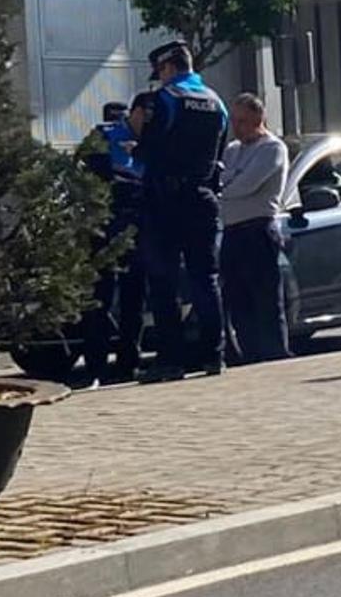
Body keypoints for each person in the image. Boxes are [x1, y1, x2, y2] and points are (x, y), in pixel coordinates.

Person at [130, 41, 230, 384]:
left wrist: (137, 144)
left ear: (169, 67)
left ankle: (170, 361)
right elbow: (219, 154)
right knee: (206, 278)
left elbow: (151, 150)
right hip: (202, 197)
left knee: (163, 282)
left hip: (165, 200)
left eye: (160, 71)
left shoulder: (166, 99)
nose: (159, 78)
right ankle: (214, 355)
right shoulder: (218, 102)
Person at [79, 98, 147, 386]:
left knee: (133, 296)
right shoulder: (103, 135)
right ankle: (96, 365)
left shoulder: (152, 139)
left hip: (136, 223)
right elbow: (96, 172)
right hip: (106, 224)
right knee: (100, 298)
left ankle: (127, 362)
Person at [220, 93, 290, 364]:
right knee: (238, 297)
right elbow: (222, 180)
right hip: (231, 231)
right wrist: (227, 185)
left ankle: (274, 353)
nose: (237, 127)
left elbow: (246, 185)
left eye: (243, 121)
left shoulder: (272, 148)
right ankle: (249, 356)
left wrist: (227, 187)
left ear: (259, 118)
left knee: (266, 298)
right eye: (234, 121)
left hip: (258, 229)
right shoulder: (233, 150)